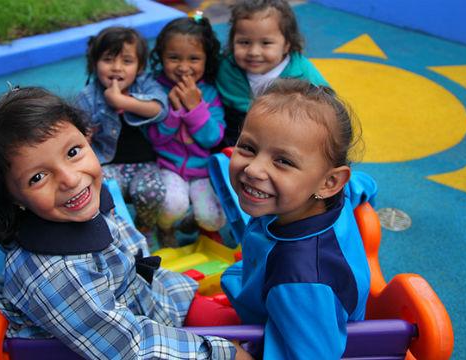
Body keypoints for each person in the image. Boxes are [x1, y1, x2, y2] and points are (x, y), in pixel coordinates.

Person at [0, 87, 253, 360]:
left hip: (147, 307)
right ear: (13, 198)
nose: (70, 178)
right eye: (38, 177)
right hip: (115, 345)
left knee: (247, 324)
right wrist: (220, 352)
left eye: (72, 152)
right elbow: (131, 348)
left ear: (88, 137)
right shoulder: (57, 276)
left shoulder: (86, 198)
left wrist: (194, 304)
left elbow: (136, 266)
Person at [220, 79, 377, 359]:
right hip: (261, 291)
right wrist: (371, 195)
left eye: (283, 161)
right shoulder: (334, 196)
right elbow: (363, 184)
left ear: (329, 181)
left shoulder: (300, 280)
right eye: (248, 147)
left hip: (273, 318)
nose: (254, 169)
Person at [76, 26, 167, 247]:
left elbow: (160, 109)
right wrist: (84, 137)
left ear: (140, 66)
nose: (117, 68)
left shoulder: (145, 83)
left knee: (153, 191)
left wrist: (123, 102)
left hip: (146, 165)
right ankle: (115, 236)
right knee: (99, 193)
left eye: (127, 61)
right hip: (108, 165)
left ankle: (145, 228)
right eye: (108, 59)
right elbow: (78, 138)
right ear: (94, 62)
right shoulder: (88, 96)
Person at [147, 13, 226, 247]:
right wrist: (174, 110)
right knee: (173, 205)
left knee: (213, 218)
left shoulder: (210, 93)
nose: (183, 67)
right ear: (161, 57)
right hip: (168, 167)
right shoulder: (155, 90)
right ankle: (165, 227)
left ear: (206, 60)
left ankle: (197, 221)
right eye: (173, 57)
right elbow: (157, 140)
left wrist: (195, 107)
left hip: (201, 172)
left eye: (194, 58)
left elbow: (212, 138)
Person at [216, 0, 328, 148]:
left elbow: (327, 108)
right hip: (235, 136)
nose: (254, 52)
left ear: (287, 44)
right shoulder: (226, 68)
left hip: (287, 138)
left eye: (266, 43)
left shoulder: (303, 74)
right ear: (232, 42)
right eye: (244, 42)